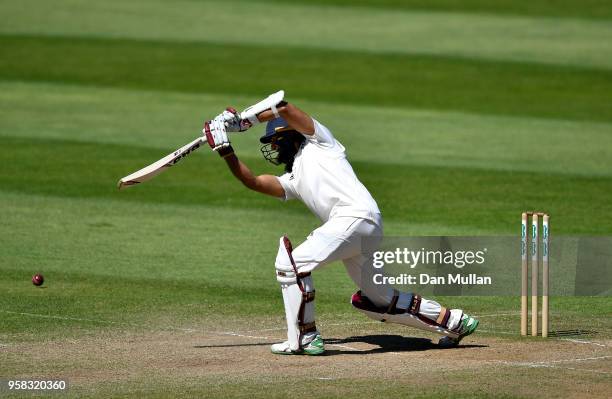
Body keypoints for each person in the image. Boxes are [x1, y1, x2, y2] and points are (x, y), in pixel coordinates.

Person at [203, 91, 479, 355]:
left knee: (290, 265)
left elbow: (284, 107)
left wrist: (244, 122)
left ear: (290, 135)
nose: (273, 148)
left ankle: (304, 337)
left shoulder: (322, 143)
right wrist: (226, 150)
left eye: (275, 141)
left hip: (354, 218)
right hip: (363, 226)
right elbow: (252, 182)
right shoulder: (293, 179)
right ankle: (454, 321)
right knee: (378, 301)